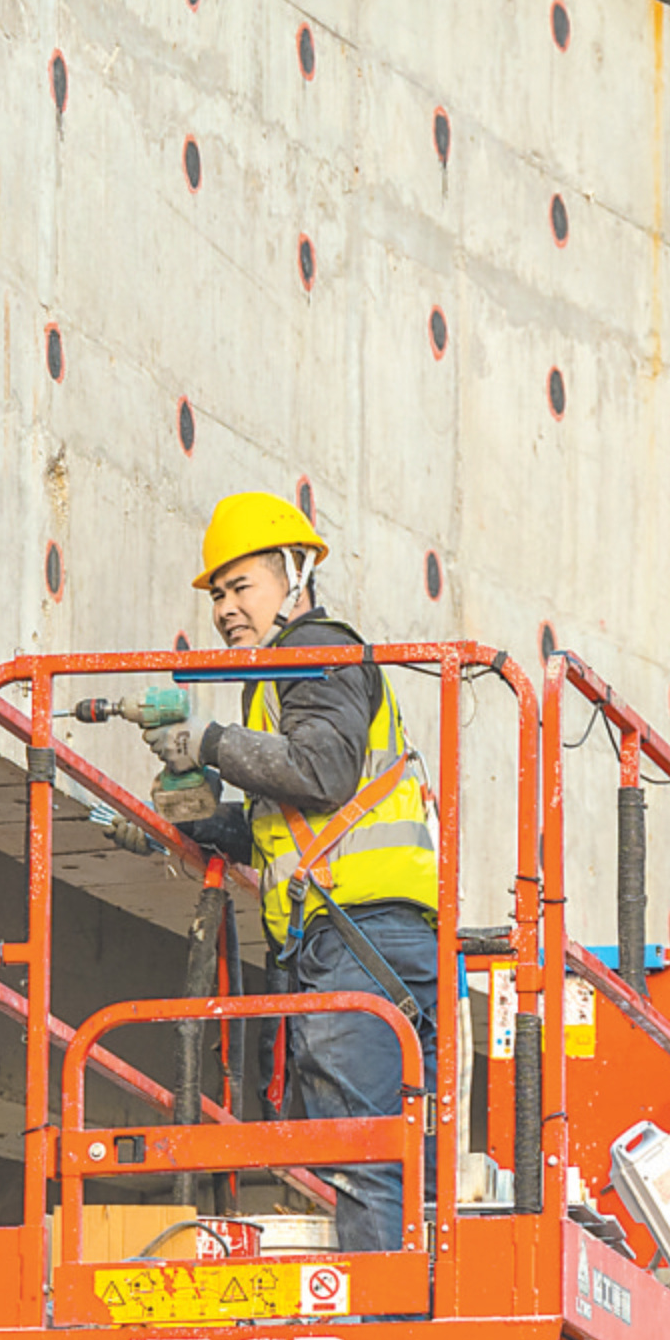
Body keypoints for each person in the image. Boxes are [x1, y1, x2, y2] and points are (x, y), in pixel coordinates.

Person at [134, 490, 440, 1253]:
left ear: (295, 576)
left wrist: (209, 742)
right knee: (400, 1161)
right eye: (217, 595)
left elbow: (321, 771)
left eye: (241, 587)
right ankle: (412, 1302)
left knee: (364, 1157)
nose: (225, 610)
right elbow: (294, 824)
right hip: (371, 938)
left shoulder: (317, 651)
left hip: (356, 940)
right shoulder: (288, 674)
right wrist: (196, 824)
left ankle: (386, 1316)